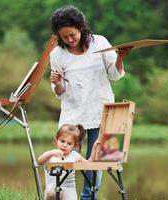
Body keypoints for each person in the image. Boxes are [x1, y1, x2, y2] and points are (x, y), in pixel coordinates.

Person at [49, 5, 131, 200]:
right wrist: (58, 83)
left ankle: (88, 198)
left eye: (72, 35)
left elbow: (115, 75)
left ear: (81, 27)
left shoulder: (99, 42)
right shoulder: (57, 55)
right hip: (72, 115)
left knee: (98, 161)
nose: (69, 40)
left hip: (101, 112)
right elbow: (59, 93)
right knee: (66, 159)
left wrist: (120, 57)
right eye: (64, 37)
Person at [38, 124, 88, 200]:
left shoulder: (75, 155)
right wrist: (51, 153)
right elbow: (39, 161)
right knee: (52, 192)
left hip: (69, 188)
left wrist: (94, 152)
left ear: (74, 145)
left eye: (69, 143)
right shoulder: (51, 155)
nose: (64, 145)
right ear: (56, 140)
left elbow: (87, 164)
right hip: (53, 187)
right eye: (62, 141)